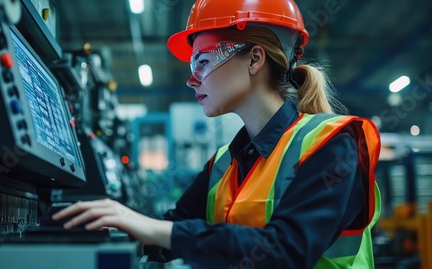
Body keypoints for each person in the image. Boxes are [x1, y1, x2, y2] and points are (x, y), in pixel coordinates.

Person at [52, 0, 382, 268]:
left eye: (203, 62)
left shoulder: (332, 146)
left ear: (254, 58)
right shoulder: (224, 163)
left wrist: (155, 228)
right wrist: (108, 228)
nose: (192, 80)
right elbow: (172, 228)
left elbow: (286, 252)